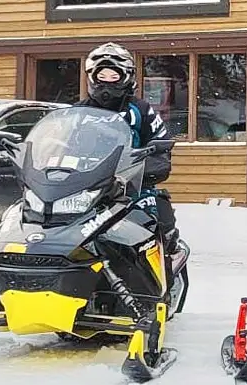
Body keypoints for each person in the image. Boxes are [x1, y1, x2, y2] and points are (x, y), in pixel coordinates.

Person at [75, 43, 182, 260]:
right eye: (101, 75)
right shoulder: (78, 112)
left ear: (126, 78)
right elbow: (59, 145)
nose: (106, 81)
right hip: (85, 188)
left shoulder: (140, 110)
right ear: (91, 77)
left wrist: (153, 162)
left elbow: (159, 140)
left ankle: (165, 266)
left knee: (158, 213)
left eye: (113, 76)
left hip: (130, 186)